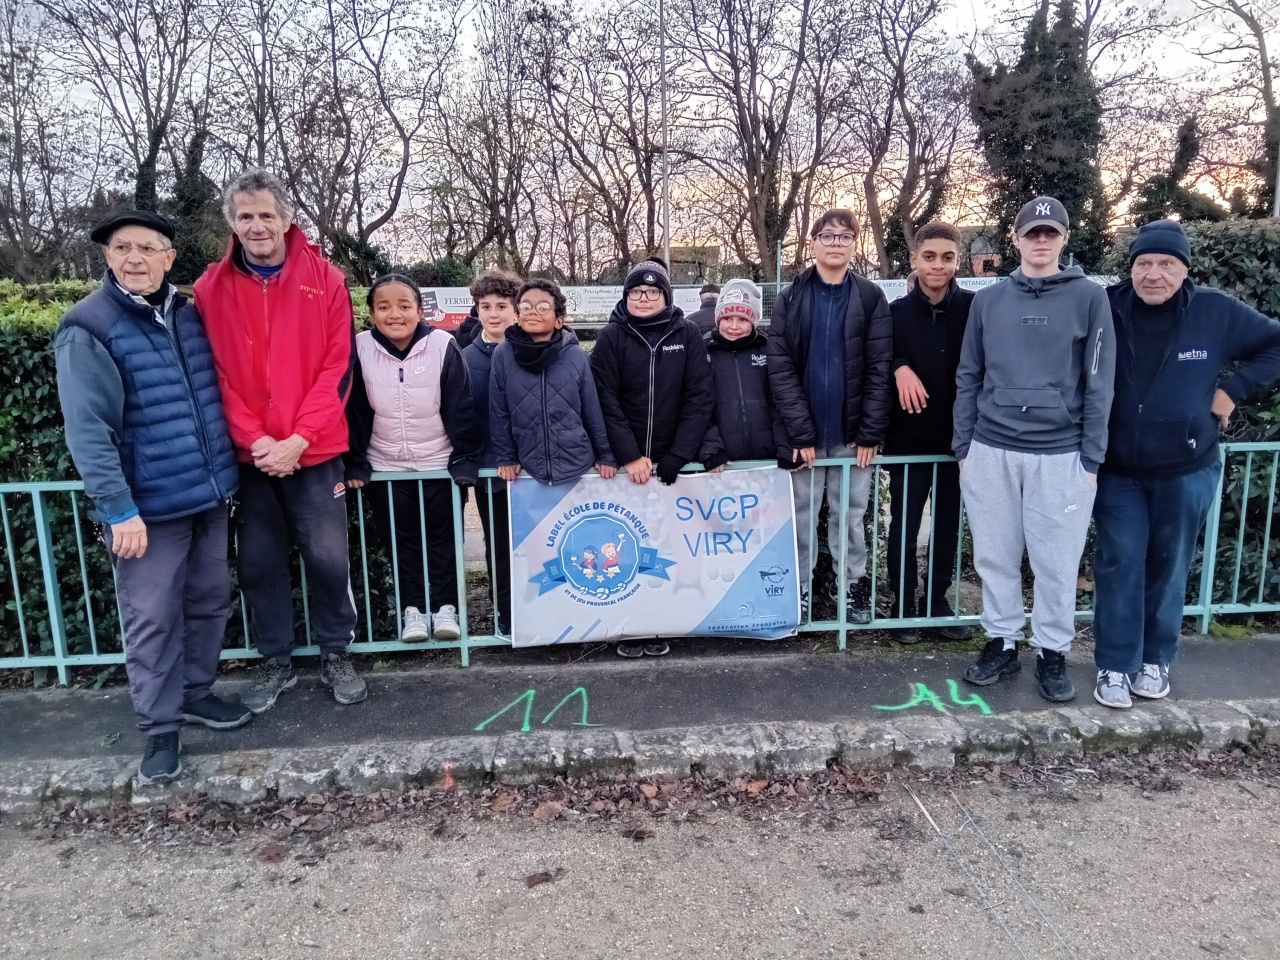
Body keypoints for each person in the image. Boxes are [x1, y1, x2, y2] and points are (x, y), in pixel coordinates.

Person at [56, 210, 246, 784]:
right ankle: (160, 727)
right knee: (153, 617)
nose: (134, 258)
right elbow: (87, 428)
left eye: (147, 248)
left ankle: (194, 693)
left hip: (209, 493)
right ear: (108, 257)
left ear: (169, 258)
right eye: (122, 248)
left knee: (210, 601)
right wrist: (118, 509)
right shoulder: (88, 325)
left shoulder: (190, 313)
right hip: (147, 509)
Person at [194, 168, 366, 712]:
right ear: (232, 224)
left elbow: (338, 367)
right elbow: (211, 373)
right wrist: (257, 441)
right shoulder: (208, 288)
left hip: (312, 453)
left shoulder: (327, 279)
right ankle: (276, 661)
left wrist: (298, 438)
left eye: (266, 214)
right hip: (250, 458)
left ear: (287, 218)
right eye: (245, 216)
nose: (257, 225)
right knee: (260, 565)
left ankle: (336, 653)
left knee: (327, 559)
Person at [1092, 220, 1280, 708]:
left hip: (1186, 469)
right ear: (1131, 268)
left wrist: (1233, 390)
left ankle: (1156, 659)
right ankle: (1114, 665)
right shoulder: (1106, 307)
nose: (1154, 274)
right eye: (1144, 264)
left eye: (1166, 264)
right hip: (1117, 472)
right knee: (1119, 565)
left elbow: (1275, 344)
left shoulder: (1214, 311)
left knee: (1169, 566)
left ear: (1184, 269)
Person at [954, 196, 1115, 703]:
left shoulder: (1089, 297)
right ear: (1017, 239)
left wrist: (1091, 457)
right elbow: (968, 375)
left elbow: (1099, 381)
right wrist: (964, 447)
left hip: (1061, 454)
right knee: (995, 556)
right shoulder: (988, 301)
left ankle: (1051, 650)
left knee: (1056, 560)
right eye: (1031, 233)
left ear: (1064, 239)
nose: (1040, 240)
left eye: (1050, 232)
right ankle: (1002, 640)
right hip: (991, 448)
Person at [767, 209, 893, 623]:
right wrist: (799, 432)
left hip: (852, 435)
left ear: (854, 243)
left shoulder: (871, 297)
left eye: (844, 236)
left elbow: (879, 366)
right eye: (827, 235)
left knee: (851, 517)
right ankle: (800, 591)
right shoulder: (791, 297)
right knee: (801, 518)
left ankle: (851, 589)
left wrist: (871, 431)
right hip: (804, 438)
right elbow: (780, 368)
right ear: (813, 242)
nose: (835, 242)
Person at [345, 275, 481, 644]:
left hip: (437, 463)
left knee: (443, 540)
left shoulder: (442, 345)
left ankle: (446, 609)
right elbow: (353, 410)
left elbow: (460, 406)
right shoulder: (358, 348)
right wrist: (356, 461)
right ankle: (413, 612)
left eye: (404, 305)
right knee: (400, 542)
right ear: (371, 312)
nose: (395, 314)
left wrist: (464, 459)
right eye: (384, 306)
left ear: (420, 310)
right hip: (386, 466)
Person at [590, 256, 714, 657]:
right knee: (624, 549)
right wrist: (628, 455)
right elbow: (603, 399)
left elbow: (700, 397)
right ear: (626, 297)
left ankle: (662, 621)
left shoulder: (688, 333)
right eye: (636, 292)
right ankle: (628, 625)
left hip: (670, 468)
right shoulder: (611, 337)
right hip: (629, 469)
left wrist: (679, 453)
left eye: (652, 291)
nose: (643, 298)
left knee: (667, 550)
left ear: (666, 296)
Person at [883, 223, 975, 642]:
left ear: (958, 261)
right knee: (903, 526)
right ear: (914, 259)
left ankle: (936, 602)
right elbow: (876, 357)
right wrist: (898, 366)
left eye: (947, 257)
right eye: (930, 256)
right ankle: (903, 605)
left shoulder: (975, 308)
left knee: (948, 526)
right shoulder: (893, 313)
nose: (938, 265)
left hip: (960, 443)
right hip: (909, 441)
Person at [490, 278, 617, 486]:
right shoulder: (503, 355)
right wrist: (506, 457)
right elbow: (498, 411)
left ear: (559, 319)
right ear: (517, 316)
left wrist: (605, 454)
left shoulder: (576, 355)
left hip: (578, 465)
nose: (533, 311)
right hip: (529, 466)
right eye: (526, 306)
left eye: (543, 307)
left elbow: (592, 410)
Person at [463, 270, 521, 635]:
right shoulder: (464, 356)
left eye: (502, 306)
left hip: (532, 472)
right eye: (486, 306)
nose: (493, 313)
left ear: (516, 309)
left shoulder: (530, 351)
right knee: (498, 547)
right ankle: (505, 614)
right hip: (491, 474)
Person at [699, 279, 788, 467]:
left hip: (767, 460)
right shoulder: (703, 354)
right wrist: (711, 448)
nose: (734, 326)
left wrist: (785, 446)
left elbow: (779, 402)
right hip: (723, 463)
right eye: (727, 318)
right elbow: (698, 407)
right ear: (718, 319)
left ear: (754, 321)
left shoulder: (768, 351)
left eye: (742, 320)